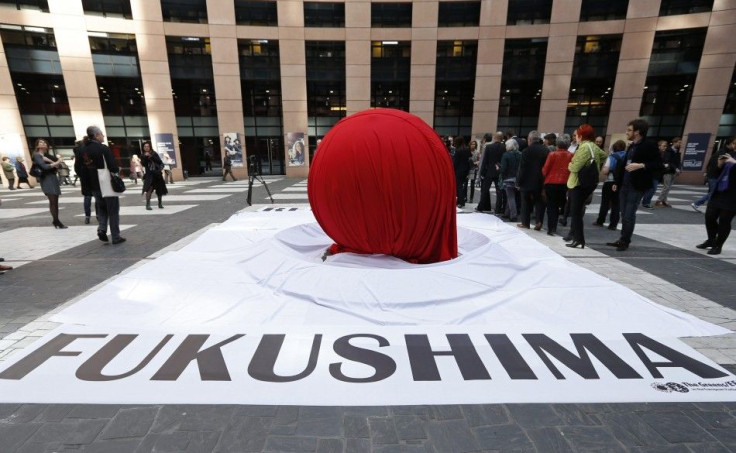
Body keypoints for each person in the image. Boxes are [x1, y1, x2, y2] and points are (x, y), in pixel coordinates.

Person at [607, 118, 663, 252]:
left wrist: (641, 165)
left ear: (637, 132)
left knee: (629, 214)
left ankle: (625, 241)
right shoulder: (632, 146)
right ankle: (622, 238)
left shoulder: (648, 145)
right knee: (623, 213)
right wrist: (617, 182)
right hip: (625, 184)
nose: (627, 132)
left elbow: (658, 165)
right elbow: (624, 165)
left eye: (629, 130)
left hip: (637, 185)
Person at [78, 126, 125, 244]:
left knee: (101, 208)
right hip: (106, 183)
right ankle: (116, 236)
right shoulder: (102, 148)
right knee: (113, 210)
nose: (103, 136)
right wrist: (117, 169)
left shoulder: (81, 149)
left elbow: (78, 168)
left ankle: (102, 229)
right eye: (102, 134)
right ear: (96, 135)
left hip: (92, 185)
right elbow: (113, 166)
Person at [565, 125, 607, 248]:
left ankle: (578, 239)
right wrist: (595, 164)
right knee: (577, 212)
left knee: (576, 213)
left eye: (576, 135)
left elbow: (574, 167)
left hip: (578, 183)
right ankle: (579, 239)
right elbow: (604, 155)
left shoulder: (583, 147)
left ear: (581, 136)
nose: (576, 137)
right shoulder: (593, 146)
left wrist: (570, 163)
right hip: (589, 182)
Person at [696, 151, 736, 255]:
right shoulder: (731, 154)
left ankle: (718, 245)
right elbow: (716, 174)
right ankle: (711, 239)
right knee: (710, 216)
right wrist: (720, 164)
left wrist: (734, 163)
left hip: (733, 195)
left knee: (724, 220)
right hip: (719, 191)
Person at [692, 137, 736, 212]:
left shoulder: (723, 151)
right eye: (734, 143)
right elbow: (718, 166)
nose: (734, 145)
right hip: (715, 176)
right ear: (729, 144)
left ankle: (703, 205)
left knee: (712, 192)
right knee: (714, 193)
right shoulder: (725, 153)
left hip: (713, 175)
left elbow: (710, 163)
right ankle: (699, 204)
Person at [541, 133, 572, 236]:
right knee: (559, 205)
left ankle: (551, 227)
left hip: (551, 182)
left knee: (551, 206)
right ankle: (554, 226)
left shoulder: (552, 154)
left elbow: (545, 170)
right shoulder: (571, 155)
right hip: (564, 183)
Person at [516, 130, 548, 230]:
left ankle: (526, 222)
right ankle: (539, 221)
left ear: (530, 140)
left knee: (525, 202)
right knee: (539, 202)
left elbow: (522, 168)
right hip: (540, 180)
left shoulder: (526, 151)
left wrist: (518, 181)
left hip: (527, 180)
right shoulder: (546, 150)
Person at [32, 138, 67, 228]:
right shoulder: (36, 155)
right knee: (52, 200)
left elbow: (59, 167)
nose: (43, 143)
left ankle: (56, 221)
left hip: (53, 178)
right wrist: (57, 162)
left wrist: (50, 161)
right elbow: (45, 167)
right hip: (46, 178)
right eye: (40, 142)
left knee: (55, 201)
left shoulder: (48, 155)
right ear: (37, 145)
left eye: (44, 142)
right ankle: (56, 221)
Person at [594, 140, 627, 230]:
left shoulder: (612, 157)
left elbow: (605, 171)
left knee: (605, 202)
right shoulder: (626, 156)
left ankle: (600, 220)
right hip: (620, 183)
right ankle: (613, 224)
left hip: (610, 182)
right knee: (616, 204)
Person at [477, 132, 505, 214]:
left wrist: (482, 172)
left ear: (495, 137)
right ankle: (498, 209)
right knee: (499, 191)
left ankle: (481, 207)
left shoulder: (489, 147)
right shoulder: (504, 147)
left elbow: (485, 161)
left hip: (489, 171)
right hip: (499, 171)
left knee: (484, 190)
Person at [73, 139, 95, 224]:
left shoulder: (78, 152)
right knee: (97, 196)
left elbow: (76, 166)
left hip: (84, 176)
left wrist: (81, 174)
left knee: (87, 197)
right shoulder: (91, 150)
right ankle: (98, 215)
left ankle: (87, 216)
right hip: (93, 176)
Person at [499, 138, 521, 222]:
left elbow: (503, 169)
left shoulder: (506, 155)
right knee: (512, 196)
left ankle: (513, 215)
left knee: (511, 197)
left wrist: (499, 169)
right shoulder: (520, 154)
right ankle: (506, 213)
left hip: (508, 178)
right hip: (517, 178)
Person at [655, 137, 682, 207]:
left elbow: (678, 162)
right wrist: (676, 168)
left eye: (680, 142)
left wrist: (678, 169)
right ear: (674, 142)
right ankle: (659, 200)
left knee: (669, 187)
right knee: (666, 187)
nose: (680, 144)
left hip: (674, 171)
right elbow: (668, 161)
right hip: (668, 171)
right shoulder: (668, 151)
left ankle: (664, 200)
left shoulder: (677, 151)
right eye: (679, 142)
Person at [141, 141, 167, 210]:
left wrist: (151, 157)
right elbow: (144, 164)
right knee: (149, 189)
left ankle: (160, 203)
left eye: (148, 146)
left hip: (157, 174)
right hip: (149, 175)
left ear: (150, 147)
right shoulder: (143, 155)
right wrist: (146, 157)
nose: (146, 148)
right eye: (145, 146)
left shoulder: (154, 153)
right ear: (143, 148)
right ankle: (148, 205)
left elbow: (159, 162)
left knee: (159, 190)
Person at [452, 136, 472, 208]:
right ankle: (462, 200)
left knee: (459, 186)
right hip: (466, 170)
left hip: (458, 170)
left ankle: (460, 201)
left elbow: (455, 162)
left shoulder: (458, 150)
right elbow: (469, 159)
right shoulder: (467, 149)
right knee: (463, 186)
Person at [468, 139, 481, 204]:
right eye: (472, 144)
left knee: (472, 184)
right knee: (465, 184)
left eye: (474, 144)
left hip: (474, 169)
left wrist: (476, 163)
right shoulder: (467, 151)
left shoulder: (477, 152)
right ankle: (465, 197)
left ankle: (471, 198)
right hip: (468, 169)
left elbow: (479, 160)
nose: (473, 145)